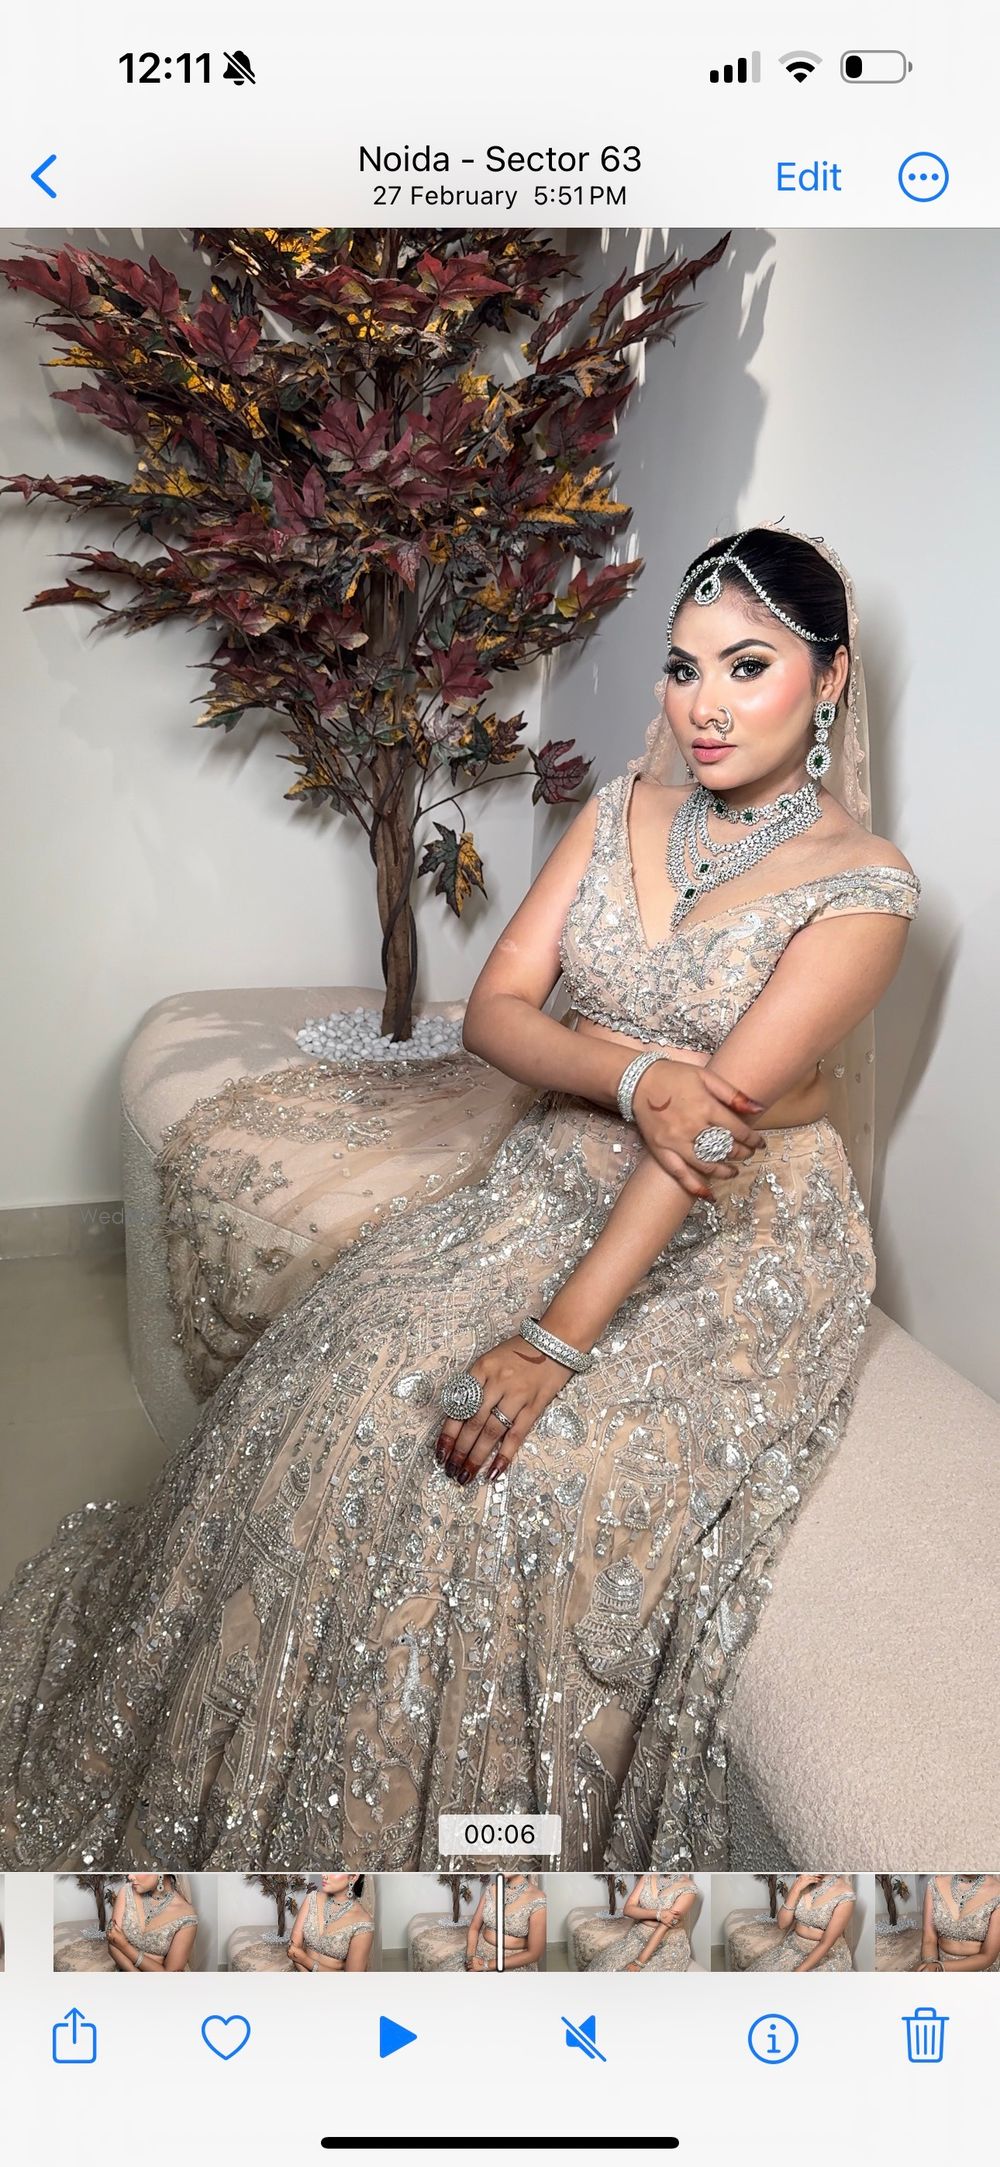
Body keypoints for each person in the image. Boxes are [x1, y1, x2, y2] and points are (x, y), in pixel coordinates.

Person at [0, 525, 920, 1874]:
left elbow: (711, 1136)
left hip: (734, 1226)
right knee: (337, 1372)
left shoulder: (863, 887)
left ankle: (459, 1862)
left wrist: (554, 1340)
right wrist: (642, 1072)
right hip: (561, 1163)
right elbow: (496, 1015)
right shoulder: (620, 811)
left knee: (512, 1487)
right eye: (683, 667)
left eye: (748, 665)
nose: (704, 705)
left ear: (828, 679)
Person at [732, 1873, 856, 1973]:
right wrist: (796, 1889)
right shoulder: (802, 1881)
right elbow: (782, 1924)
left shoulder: (844, 1894)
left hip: (826, 1955)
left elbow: (826, 1943)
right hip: (793, 1946)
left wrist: (797, 1973)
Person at [586, 1873, 697, 1971]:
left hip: (667, 1944)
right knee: (606, 1966)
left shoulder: (688, 1888)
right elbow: (628, 1909)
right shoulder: (648, 1876)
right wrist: (658, 1914)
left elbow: (663, 1927)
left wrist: (639, 1962)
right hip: (637, 1937)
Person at [287, 1873, 373, 1973]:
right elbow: (292, 1949)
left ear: (353, 1877)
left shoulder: (363, 1922)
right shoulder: (312, 1898)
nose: (324, 1875)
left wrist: (305, 1960)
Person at [460, 1874, 547, 1972]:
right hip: (479, 1954)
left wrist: (487, 1965)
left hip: (514, 1962)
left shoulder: (537, 1898)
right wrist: (470, 1958)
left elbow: (534, 1953)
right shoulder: (491, 1889)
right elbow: (474, 1927)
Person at [917, 1875, 1000, 1972]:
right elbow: (929, 1939)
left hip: (980, 1969)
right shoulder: (935, 1884)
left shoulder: (997, 1891)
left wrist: (941, 1967)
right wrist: (930, 1965)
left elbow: (988, 1956)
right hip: (938, 1963)